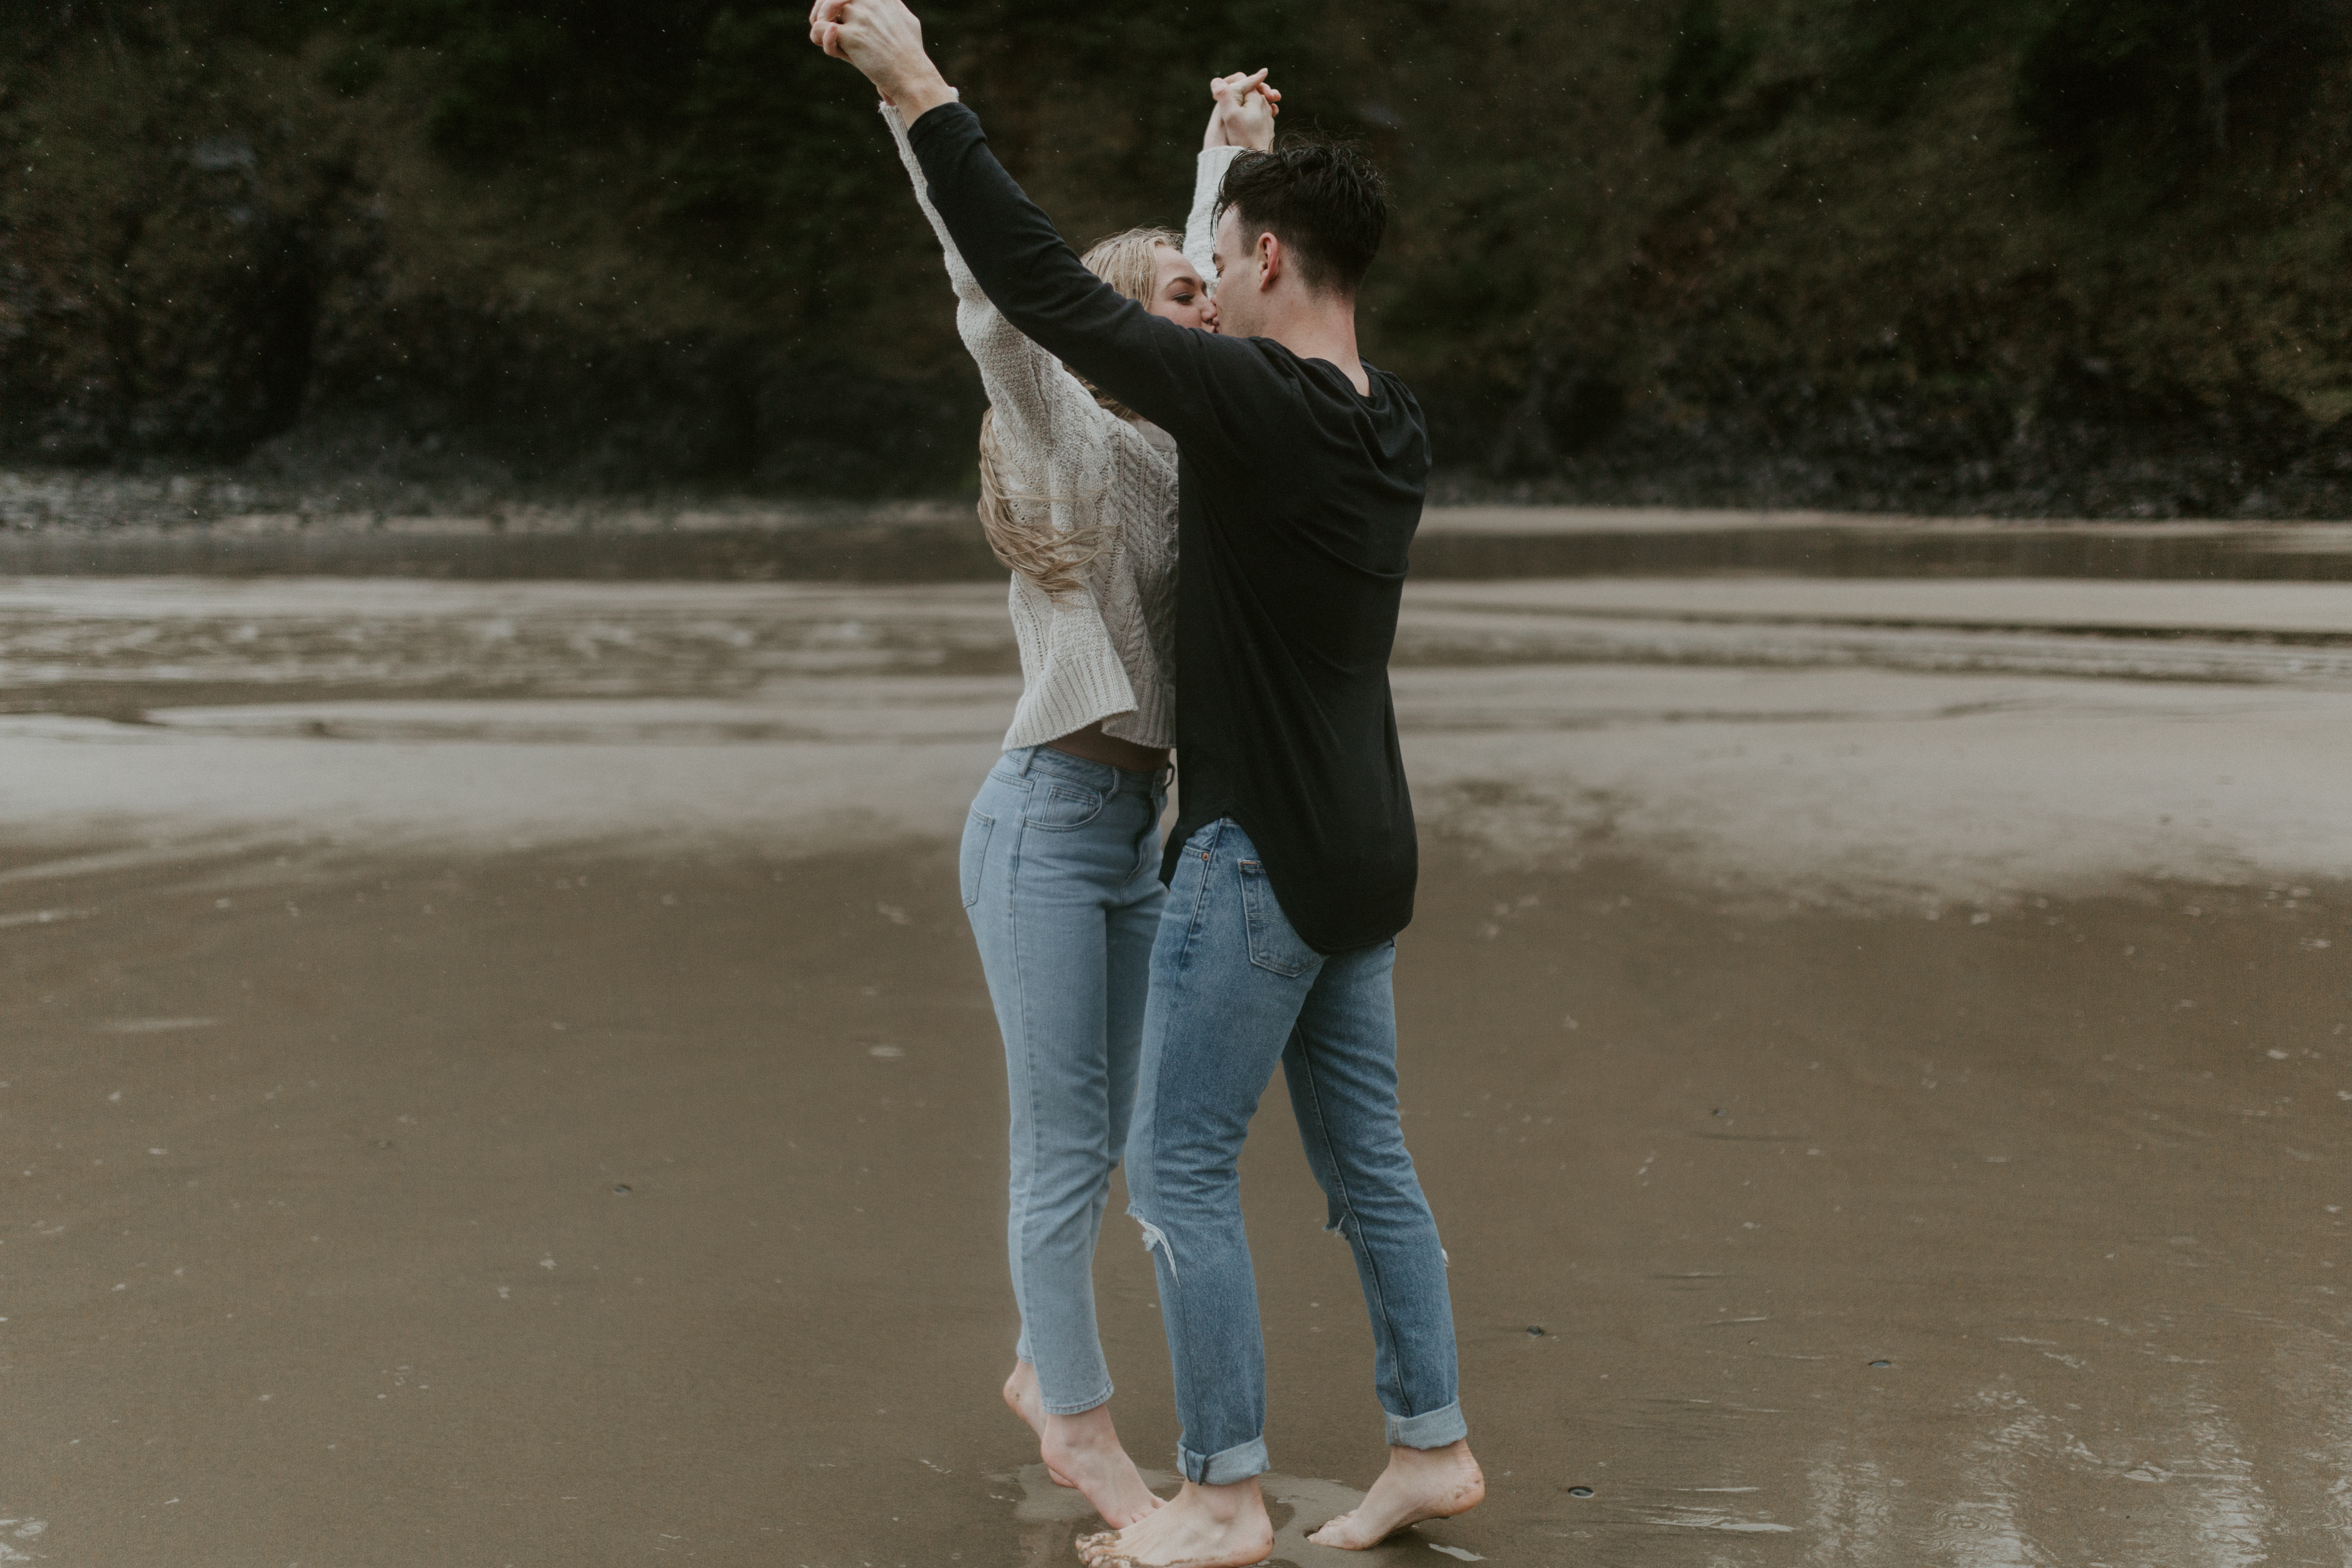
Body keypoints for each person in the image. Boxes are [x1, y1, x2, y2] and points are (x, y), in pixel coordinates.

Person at [812, 4, 1485, 1563]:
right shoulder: (1387, 422)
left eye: (1219, 265)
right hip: (1368, 845)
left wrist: (916, 89)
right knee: (1365, 1163)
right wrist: (1225, 167)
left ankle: (1223, 1493)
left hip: (1253, 850)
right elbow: (1107, 317)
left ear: (1262, 268)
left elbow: (1060, 289)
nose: (1194, 298)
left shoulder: (1241, 413)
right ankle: (1429, 1446)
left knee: (1177, 1169)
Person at [880, 58, 1285, 1533]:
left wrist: (1222, 152)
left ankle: (1038, 1365)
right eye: (1179, 296)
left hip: (1132, 840)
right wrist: (904, 104)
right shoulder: (1070, 439)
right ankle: (1080, 1425)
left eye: (1210, 285)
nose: (1210, 300)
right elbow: (1002, 295)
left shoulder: (1187, 442)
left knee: (1116, 1145)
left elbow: (1169, 292)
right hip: (1046, 825)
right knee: (1061, 1152)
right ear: (1117, 333)